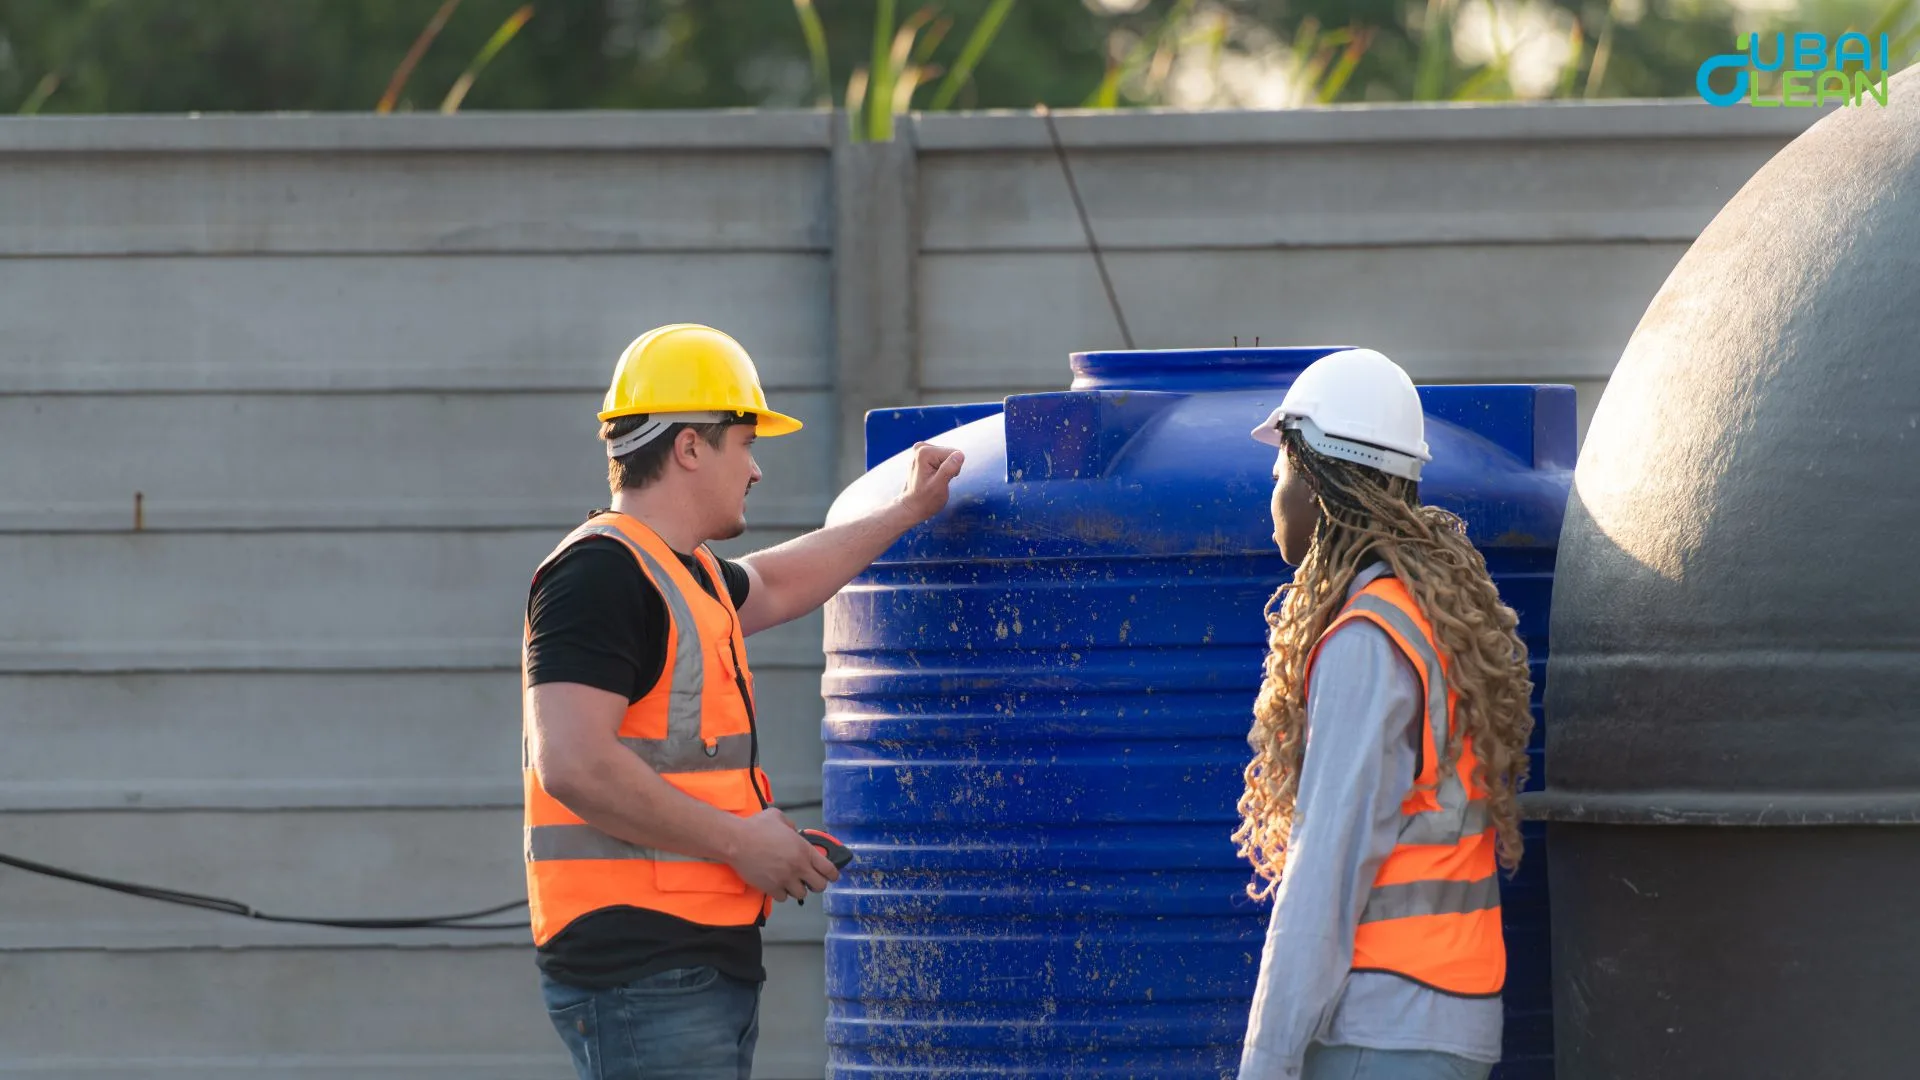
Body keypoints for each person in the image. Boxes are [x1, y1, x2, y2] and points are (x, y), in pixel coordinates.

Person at [521, 323, 963, 1080]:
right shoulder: (598, 575)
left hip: (690, 955)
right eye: (744, 443)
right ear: (690, 446)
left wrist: (905, 512)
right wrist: (741, 843)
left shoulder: (679, 573)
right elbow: (573, 765)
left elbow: (781, 582)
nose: (755, 471)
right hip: (642, 960)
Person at [1232, 349, 1536, 1080]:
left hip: (1381, 1034)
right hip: (1445, 1022)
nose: (1273, 494)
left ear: (1316, 480)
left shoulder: (1369, 639)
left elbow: (1327, 866)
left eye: (1279, 472)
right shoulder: (1435, 617)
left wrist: (1266, 1060)